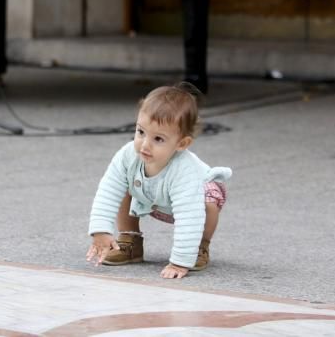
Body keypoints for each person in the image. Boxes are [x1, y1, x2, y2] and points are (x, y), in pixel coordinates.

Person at [86, 82, 231, 278]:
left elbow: (190, 215)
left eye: (158, 139)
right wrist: (100, 230)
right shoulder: (128, 155)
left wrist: (180, 262)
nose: (145, 144)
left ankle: (199, 247)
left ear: (182, 143)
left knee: (207, 205)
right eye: (140, 132)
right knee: (122, 185)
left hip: (196, 198)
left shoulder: (184, 170)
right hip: (152, 195)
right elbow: (108, 190)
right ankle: (130, 241)